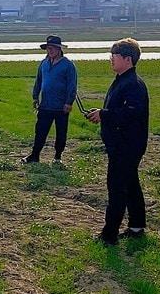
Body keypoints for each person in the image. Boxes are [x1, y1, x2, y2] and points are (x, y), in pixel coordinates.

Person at [85, 37, 149, 245]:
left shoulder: (133, 84)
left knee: (117, 188)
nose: (110, 59)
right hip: (122, 144)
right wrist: (101, 114)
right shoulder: (122, 80)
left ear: (127, 59)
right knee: (131, 185)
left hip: (126, 146)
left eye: (114, 56)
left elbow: (131, 114)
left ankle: (109, 234)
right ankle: (137, 226)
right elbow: (117, 111)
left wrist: (104, 115)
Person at [23, 35, 77, 165]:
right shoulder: (44, 63)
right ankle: (35, 155)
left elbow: (72, 86)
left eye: (52, 48)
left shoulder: (68, 65)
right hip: (45, 105)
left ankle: (58, 157)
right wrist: (35, 97)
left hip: (61, 106)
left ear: (59, 49)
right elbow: (38, 81)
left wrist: (69, 102)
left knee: (61, 133)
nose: (50, 51)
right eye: (48, 48)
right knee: (40, 131)